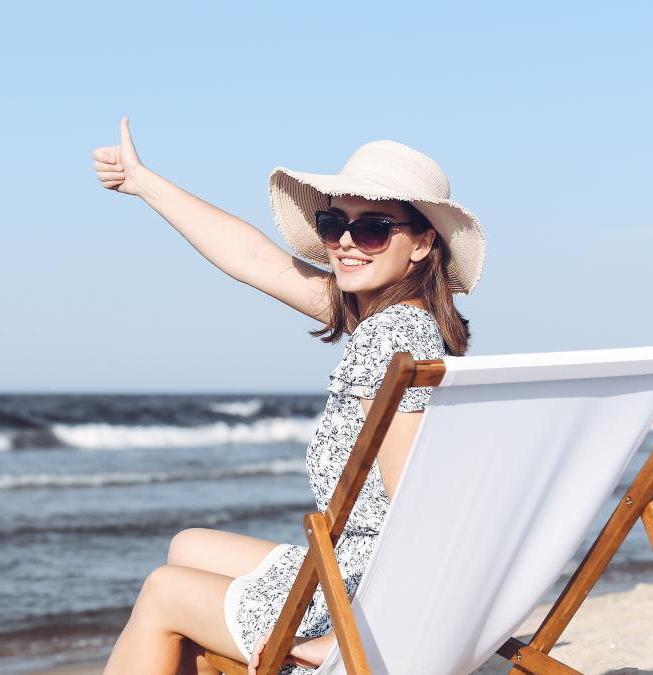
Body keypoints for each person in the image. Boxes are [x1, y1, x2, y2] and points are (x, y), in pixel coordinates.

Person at [90, 116, 486, 675]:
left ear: (423, 243)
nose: (347, 242)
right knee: (189, 545)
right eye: (334, 222)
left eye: (373, 228)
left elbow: (421, 512)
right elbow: (256, 260)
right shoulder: (400, 322)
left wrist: (356, 640)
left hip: (372, 598)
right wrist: (143, 181)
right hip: (350, 565)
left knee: (165, 590)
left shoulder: (392, 341)